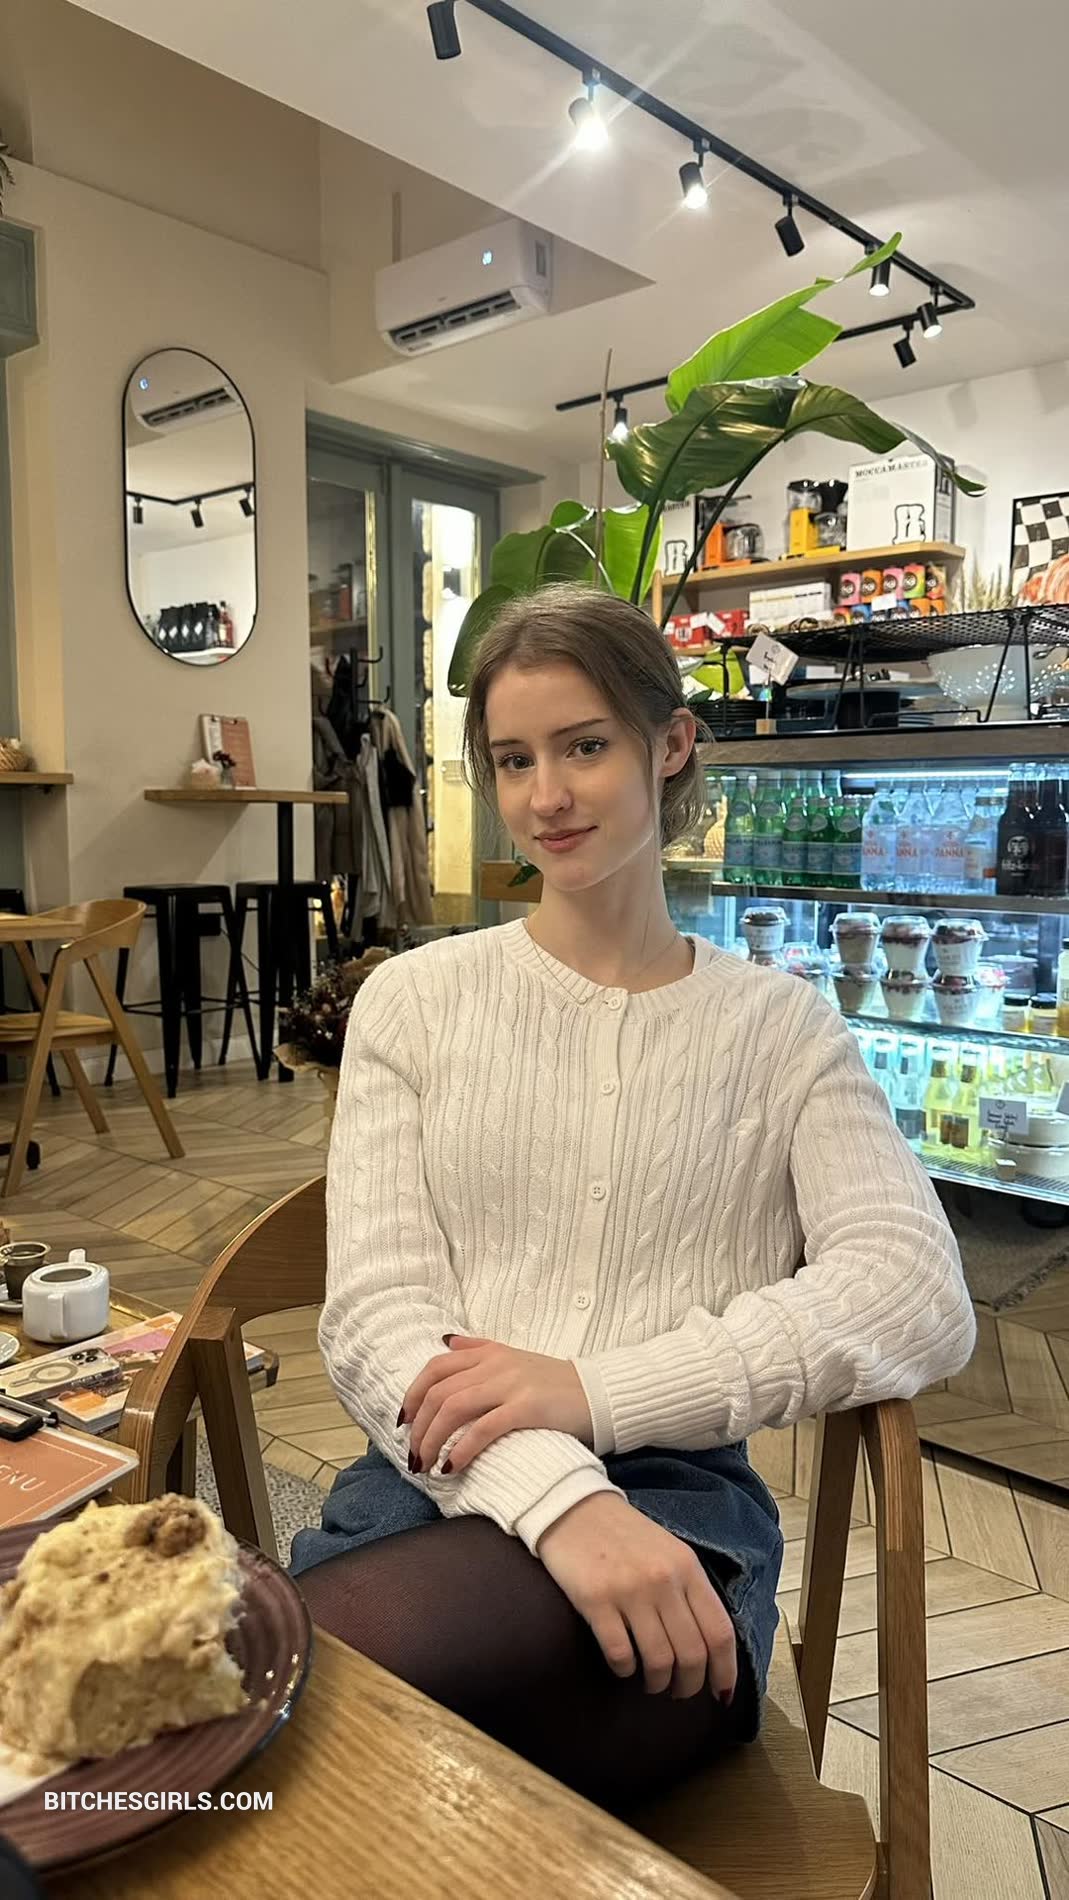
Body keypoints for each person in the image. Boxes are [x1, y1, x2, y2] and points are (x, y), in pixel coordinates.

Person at [291, 583, 975, 1816]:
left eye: (584, 746)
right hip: (432, 1475)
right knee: (311, 1732)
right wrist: (559, 1496)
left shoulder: (780, 1031)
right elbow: (375, 1319)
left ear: (670, 744)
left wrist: (596, 1393)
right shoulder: (416, 1001)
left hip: (678, 1513)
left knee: (295, 1722)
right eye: (514, 759)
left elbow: (915, 1292)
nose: (545, 795)